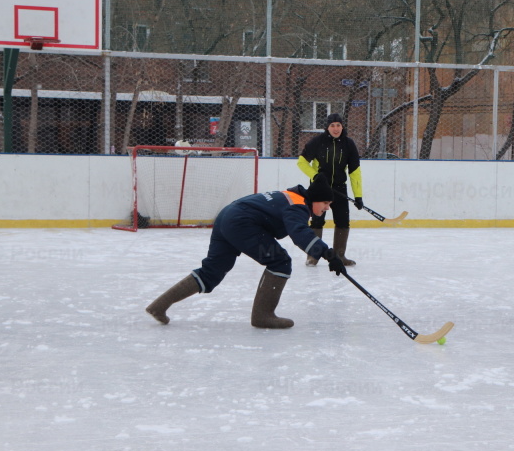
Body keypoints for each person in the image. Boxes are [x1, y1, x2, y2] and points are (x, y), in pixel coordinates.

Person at [145, 174, 346, 328]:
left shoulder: (291, 196)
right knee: (280, 261)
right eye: (326, 203)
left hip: (227, 216)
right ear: (315, 200)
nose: (327, 208)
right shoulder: (298, 206)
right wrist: (328, 254)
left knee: (213, 269)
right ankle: (263, 316)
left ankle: (159, 305)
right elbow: (299, 232)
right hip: (241, 223)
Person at [297, 113, 363, 267]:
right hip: (320, 189)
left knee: (343, 222)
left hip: (340, 189)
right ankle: (313, 256)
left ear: (342, 126)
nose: (335, 128)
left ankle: (340, 256)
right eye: (332, 125)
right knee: (317, 222)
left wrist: (358, 196)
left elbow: (355, 172)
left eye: (338, 125)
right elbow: (301, 162)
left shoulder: (349, 144)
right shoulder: (317, 142)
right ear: (327, 127)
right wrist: (316, 176)